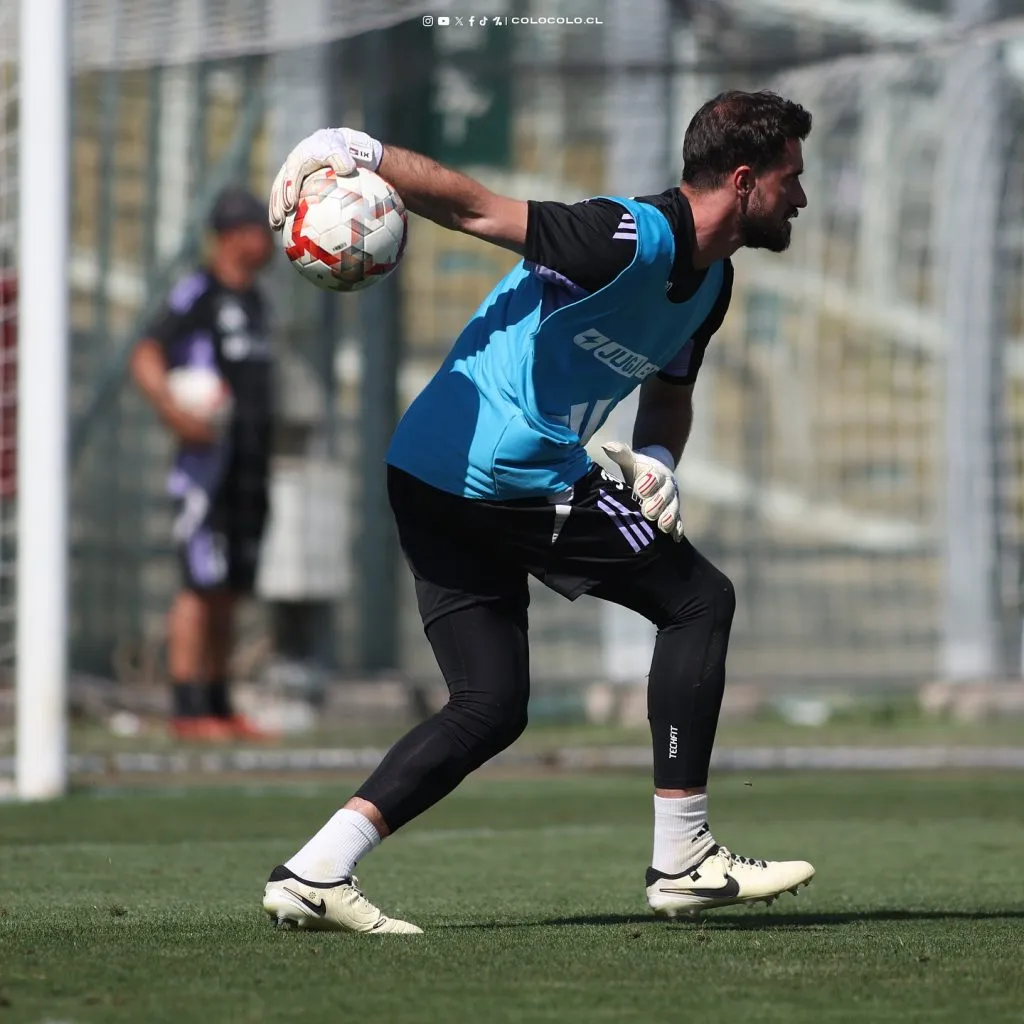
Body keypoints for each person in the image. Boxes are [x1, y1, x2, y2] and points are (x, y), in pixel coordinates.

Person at [262, 91, 815, 934]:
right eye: (791, 178)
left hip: (426, 471)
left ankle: (314, 870)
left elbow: (670, 397)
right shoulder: (627, 236)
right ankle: (683, 857)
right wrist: (354, 149)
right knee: (700, 601)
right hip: (505, 472)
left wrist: (660, 462)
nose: (802, 198)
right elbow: (473, 208)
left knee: (490, 704)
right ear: (743, 181)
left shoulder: (711, 288)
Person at [131, 186, 276, 741]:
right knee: (199, 581)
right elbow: (147, 352)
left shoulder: (257, 300)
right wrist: (173, 411)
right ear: (233, 235)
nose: (267, 241)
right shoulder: (199, 292)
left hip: (251, 461)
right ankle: (188, 707)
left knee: (231, 584)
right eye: (258, 230)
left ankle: (219, 702)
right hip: (207, 466)